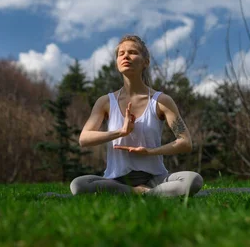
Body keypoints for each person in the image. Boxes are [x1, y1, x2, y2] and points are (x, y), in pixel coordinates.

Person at [70, 35, 204, 197]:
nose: (126, 56)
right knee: (78, 185)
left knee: (193, 180)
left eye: (132, 52)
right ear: (117, 62)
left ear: (145, 62)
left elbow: (185, 142)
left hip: (155, 178)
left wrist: (150, 151)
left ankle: (143, 193)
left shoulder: (161, 101)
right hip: (116, 180)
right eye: (121, 53)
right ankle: (139, 193)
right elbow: (84, 138)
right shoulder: (105, 102)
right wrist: (121, 132)